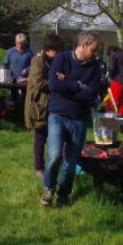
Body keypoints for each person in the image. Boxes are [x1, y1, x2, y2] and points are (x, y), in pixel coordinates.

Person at [40, 30, 103, 207]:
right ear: (83, 46)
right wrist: (77, 85)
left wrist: (67, 83)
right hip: (58, 115)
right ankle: (49, 188)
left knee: (71, 161)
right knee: (54, 156)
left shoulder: (94, 66)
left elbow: (92, 93)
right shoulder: (62, 59)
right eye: (93, 50)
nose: (95, 54)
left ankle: (63, 194)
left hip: (79, 118)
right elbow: (53, 85)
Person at [25, 34, 64, 179]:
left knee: (57, 135)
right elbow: (37, 83)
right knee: (41, 136)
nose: (59, 53)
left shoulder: (54, 61)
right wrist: (56, 81)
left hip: (53, 104)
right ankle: (39, 168)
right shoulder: (37, 62)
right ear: (49, 50)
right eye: (57, 50)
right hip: (39, 105)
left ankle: (57, 163)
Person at [104, 45, 123, 115]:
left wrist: (112, 78)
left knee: (112, 100)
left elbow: (111, 69)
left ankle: (109, 118)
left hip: (118, 80)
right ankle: (121, 116)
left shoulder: (113, 56)